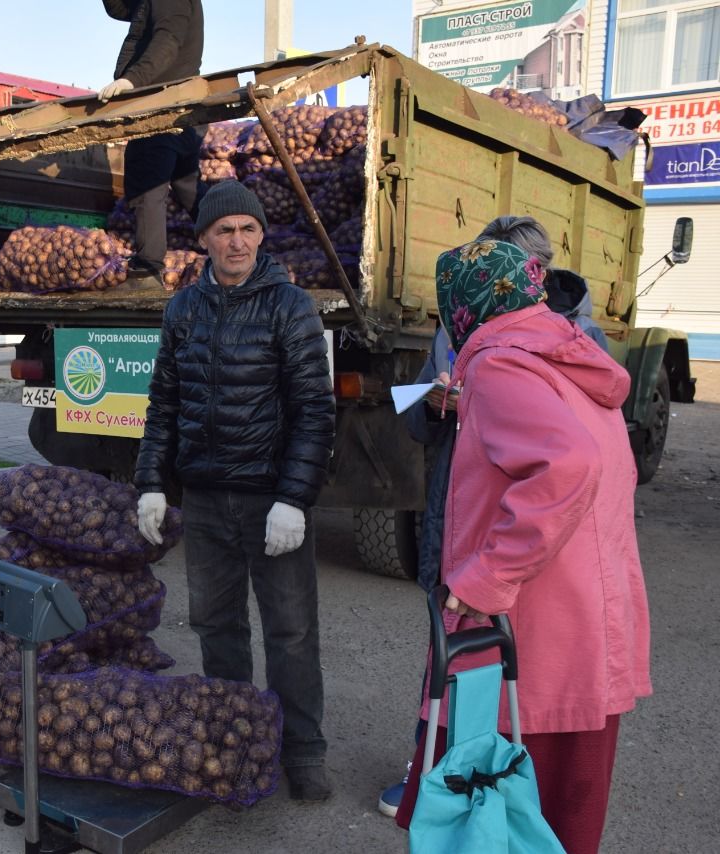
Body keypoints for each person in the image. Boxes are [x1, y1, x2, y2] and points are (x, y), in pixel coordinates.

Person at [392, 239, 652, 853]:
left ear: (463, 305)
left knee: (495, 807)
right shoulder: (564, 356)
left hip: (531, 631)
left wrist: (485, 578)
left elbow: (566, 465)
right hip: (587, 621)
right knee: (561, 816)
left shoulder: (498, 364)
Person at [133, 180, 337, 801]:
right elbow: (163, 405)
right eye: (225, 231)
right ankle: (236, 737)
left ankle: (303, 750)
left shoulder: (289, 306)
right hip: (205, 497)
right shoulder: (182, 310)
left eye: (248, 229)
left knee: (291, 630)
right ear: (203, 241)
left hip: (268, 500)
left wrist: (294, 498)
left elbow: (314, 412)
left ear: (261, 236)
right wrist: (150, 484)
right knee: (216, 626)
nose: (238, 241)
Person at [98, 0, 205, 284]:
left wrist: (133, 80)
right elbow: (121, 9)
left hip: (161, 108)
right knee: (189, 188)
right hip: (179, 108)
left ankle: (147, 271)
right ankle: (236, 240)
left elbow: (168, 38)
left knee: (148, 186)